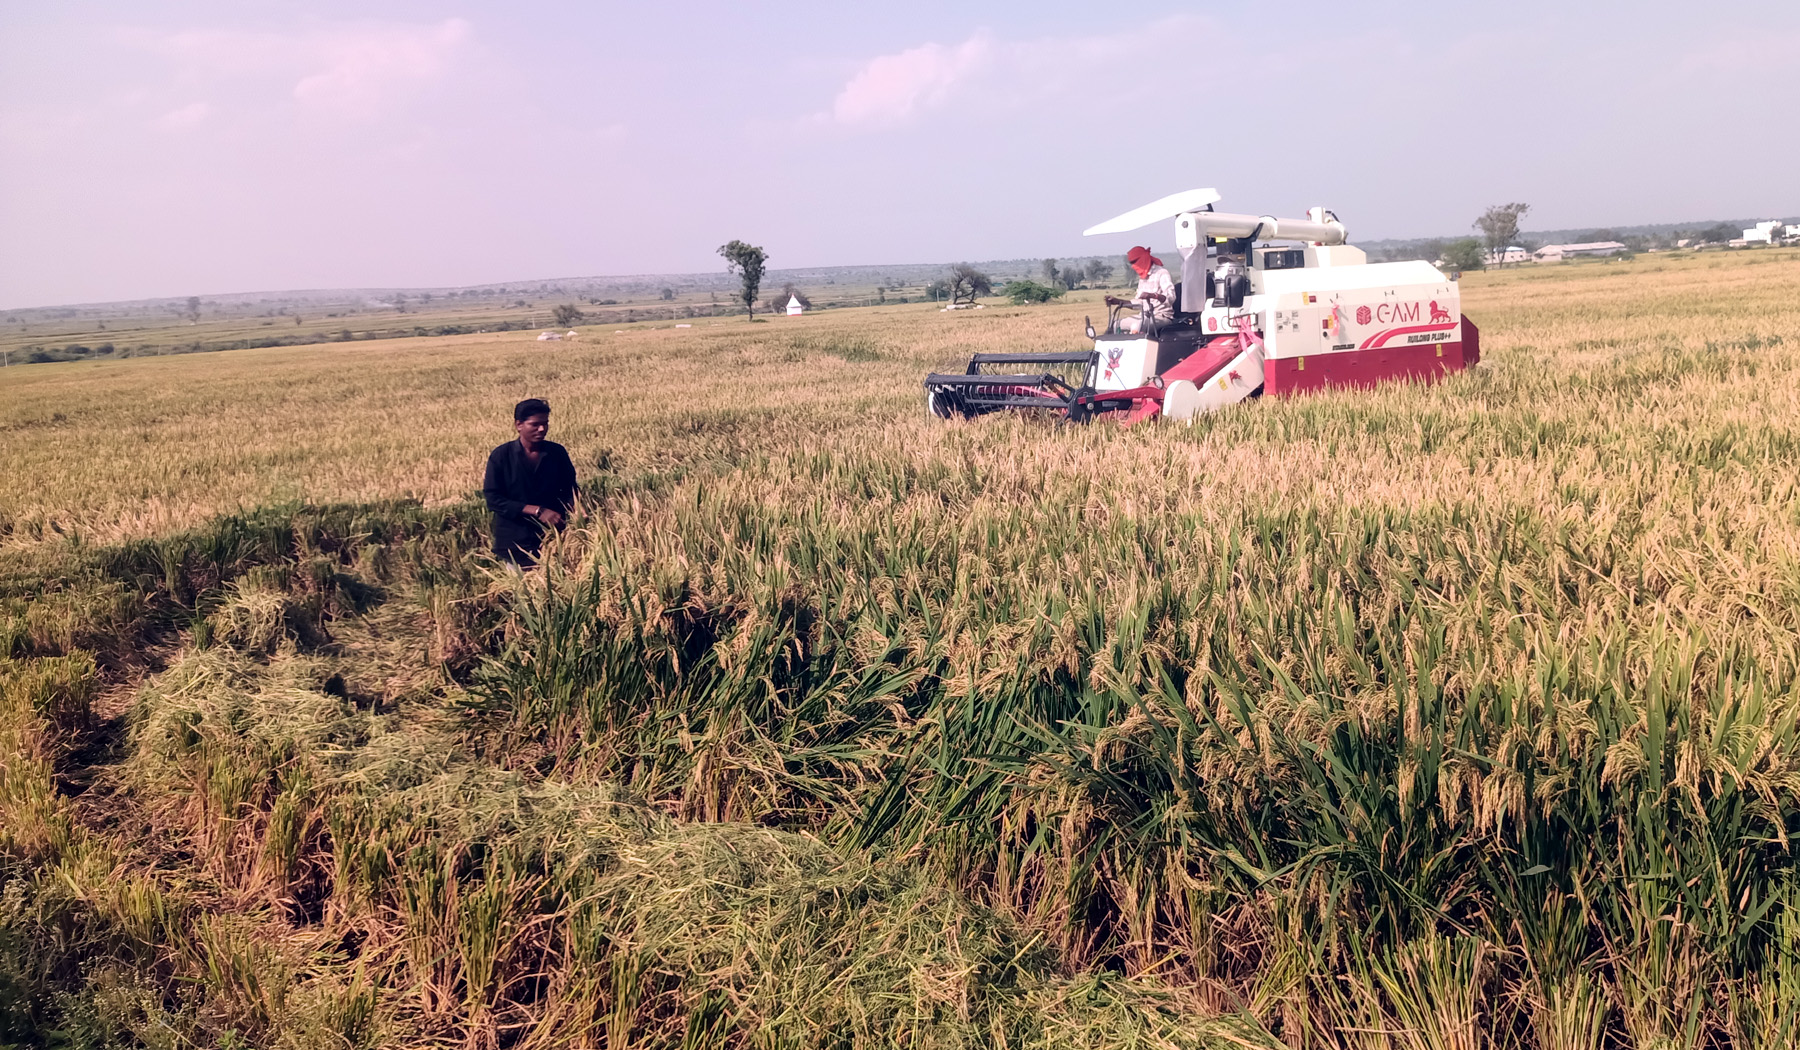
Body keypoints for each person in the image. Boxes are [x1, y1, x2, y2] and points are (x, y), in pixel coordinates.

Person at [483, 398, 579, 566]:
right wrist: (538, 511)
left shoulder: (557, 453)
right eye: (535, 424)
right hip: (516, 543)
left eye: (545, 423)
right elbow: (494, 499)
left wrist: (577, 509)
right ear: (519, 425)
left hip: (555, 539)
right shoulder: (501, 456)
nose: (542, 429)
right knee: (523, 583)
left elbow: (570, 489)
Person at [1105, 246, 1176, 333]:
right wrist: (1117, 301)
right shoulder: (1142, 279)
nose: (1133, 266)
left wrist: (1153, 296)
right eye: (1131, 263)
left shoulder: (1162, 273)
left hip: (1161, 316)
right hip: (1144, 316)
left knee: (1137, 325)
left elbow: (1171, 297)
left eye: (1135, 262)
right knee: (1115, 324)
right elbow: (1138, 303)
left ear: (1143, 258)